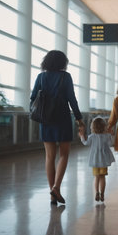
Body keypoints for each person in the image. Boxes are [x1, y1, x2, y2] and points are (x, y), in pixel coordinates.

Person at [30, 50, 85, 205]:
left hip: (46, 119)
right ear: (63, 63)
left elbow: (33, 98)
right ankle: (56, 187)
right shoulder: (65, 77)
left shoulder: (41, 77)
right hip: (62, 117)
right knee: (64, 155)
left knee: (49, 157)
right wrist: (79, 119)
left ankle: (53, 195)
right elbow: (72, 99)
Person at [79, 117, 115, 202]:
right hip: (103, 161)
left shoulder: (92, 137)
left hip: (95, 160)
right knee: (102, 177)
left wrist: (81, 136)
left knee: (96, 177)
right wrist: (111, 135)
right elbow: (111, 144)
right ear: (104, 127)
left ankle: (96, 193)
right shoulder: (106, 136)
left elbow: (85, 143)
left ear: (92, 127)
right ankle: (102, 194)